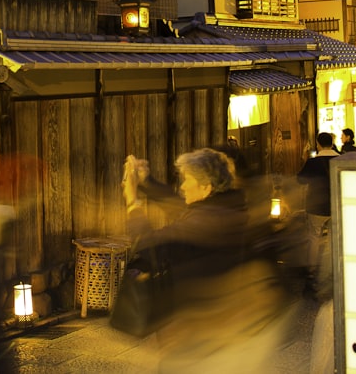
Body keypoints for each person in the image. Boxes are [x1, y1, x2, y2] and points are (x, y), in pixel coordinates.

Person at [121, 149, 298, 372]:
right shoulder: (227, 206)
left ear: (207, 187)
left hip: (205, 340)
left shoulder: (207, 221)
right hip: (225, 333)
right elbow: (179, 206)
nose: (182, 186)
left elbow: (148, 245)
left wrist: (132, 202)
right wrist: (147, 181)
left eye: (187, 180)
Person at [296, 132, 340, 301]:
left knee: (314, 240)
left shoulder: (313, 162)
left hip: (316, 207)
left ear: (318, 144)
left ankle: (312, 275)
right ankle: (331, 276)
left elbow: (300, 180)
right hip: (336, 206)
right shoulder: (341, 159)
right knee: (332, 242)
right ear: (332, 142)